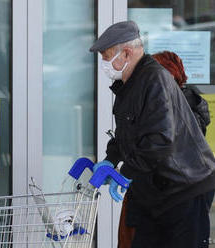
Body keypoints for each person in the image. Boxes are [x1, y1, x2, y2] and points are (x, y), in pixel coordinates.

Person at [89, 21, 215, 248]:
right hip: (156, 189)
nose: (104, 64)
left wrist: (124, 172)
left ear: (126, 53)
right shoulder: (128, 83)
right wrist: (110, 159)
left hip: (183, 188)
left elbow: (159, 141)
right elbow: (126, 133)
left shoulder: (154, 80)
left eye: (107, 56)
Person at [117, 50, 213, 248]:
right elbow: (129, 133)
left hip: (178, 195)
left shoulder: (180, 109)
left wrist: (126, 170)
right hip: (155, 194)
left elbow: (159, 147)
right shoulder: (151, 100)